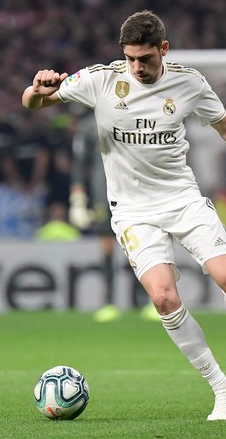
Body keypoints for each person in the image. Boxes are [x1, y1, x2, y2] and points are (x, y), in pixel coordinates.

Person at [21, 10, 226, 421]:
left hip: (182, 199)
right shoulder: (102, 80)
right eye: (131, 58)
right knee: (163, 297)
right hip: (133, 212)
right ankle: (221, 389)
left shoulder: (188, 82)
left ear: (164, 50)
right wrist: (36, 89)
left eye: (146, 58)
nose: (137, 67)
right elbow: (33, 104)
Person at [68, 113, 159, 322]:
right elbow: (79, 163)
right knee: (107, 247)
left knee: (137, 246)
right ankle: (108, 303)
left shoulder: (134, 117)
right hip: (103, 191)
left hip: (133, 189)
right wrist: (78, 197)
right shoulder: (89, 126)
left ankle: (144, 301)